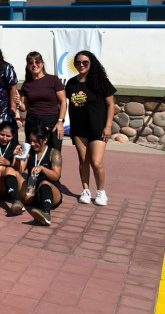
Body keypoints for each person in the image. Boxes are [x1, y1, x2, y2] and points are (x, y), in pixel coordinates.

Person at [65, 50, 116, 206]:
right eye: (78, 62)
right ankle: (86, 191)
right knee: (83, 161)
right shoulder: (71, 83)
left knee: (96, 162)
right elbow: (68, 104)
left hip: (98, 128)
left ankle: (101, 192)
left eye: (85, 62)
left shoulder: (101, 82)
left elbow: (111, 105)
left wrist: (108, 126)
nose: (81, 65)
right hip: (79, 129)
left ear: (91, 63)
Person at [16, 51, 67, 151]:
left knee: (54, 152)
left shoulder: (53, 80)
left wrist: (60, 122)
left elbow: (63, 102)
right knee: (32, 152)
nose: (34, 65)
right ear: (28, 66)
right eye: (31, 63)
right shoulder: (26, 84)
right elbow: (24, 108)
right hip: (32, 121)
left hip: (52, 122)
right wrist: (19, 103)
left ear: (42, 64)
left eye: (37, 62)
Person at [19, 121, 63, 226]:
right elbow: (20, 170)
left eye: (35, 141)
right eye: (31, 141)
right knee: (14, 175)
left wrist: (42, 168)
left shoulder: (54, 153)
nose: (32, 144)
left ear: (45, 140)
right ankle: (15, 201)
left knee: (44, 183)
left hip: (50, 192)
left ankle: (46, 214)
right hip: (32, 191)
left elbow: (56, 176)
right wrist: (18, 158)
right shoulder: (30, 152)